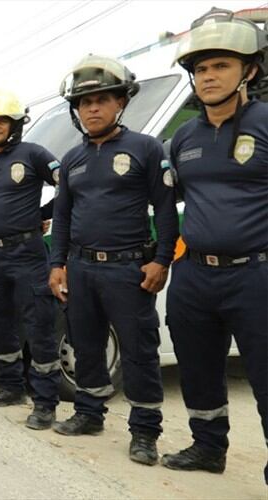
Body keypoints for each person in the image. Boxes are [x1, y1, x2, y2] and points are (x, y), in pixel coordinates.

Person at [48, 55, 178, 466]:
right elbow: (63, 216)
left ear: (121, 102)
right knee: (86, 346)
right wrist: (57, 264)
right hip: (82, 269)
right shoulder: (72, 160)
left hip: (128, 269)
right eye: (84, 103)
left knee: (139, 351)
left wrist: (161, 261)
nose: (93, 109)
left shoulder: (145, 148)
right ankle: (89, 413)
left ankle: (144, 433)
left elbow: (167, 210)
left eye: (102, 100)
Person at [162, 8, 267, 482]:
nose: (208, 76)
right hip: (195, 277)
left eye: (221, 65)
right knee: (198, 369)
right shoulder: (184, 136)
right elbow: (169, 200)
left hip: (256, 276)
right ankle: (208, 448)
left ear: (249, 70)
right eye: (201, 68)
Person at [0, 89, 61, 429]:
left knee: (39, 326)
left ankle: (45, 403)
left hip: (28, 253)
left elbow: (69, 184)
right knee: (0, 323)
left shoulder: (33, 154)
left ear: (15, 124)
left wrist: (45, 213)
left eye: (1, 121)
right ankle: (11, 387)